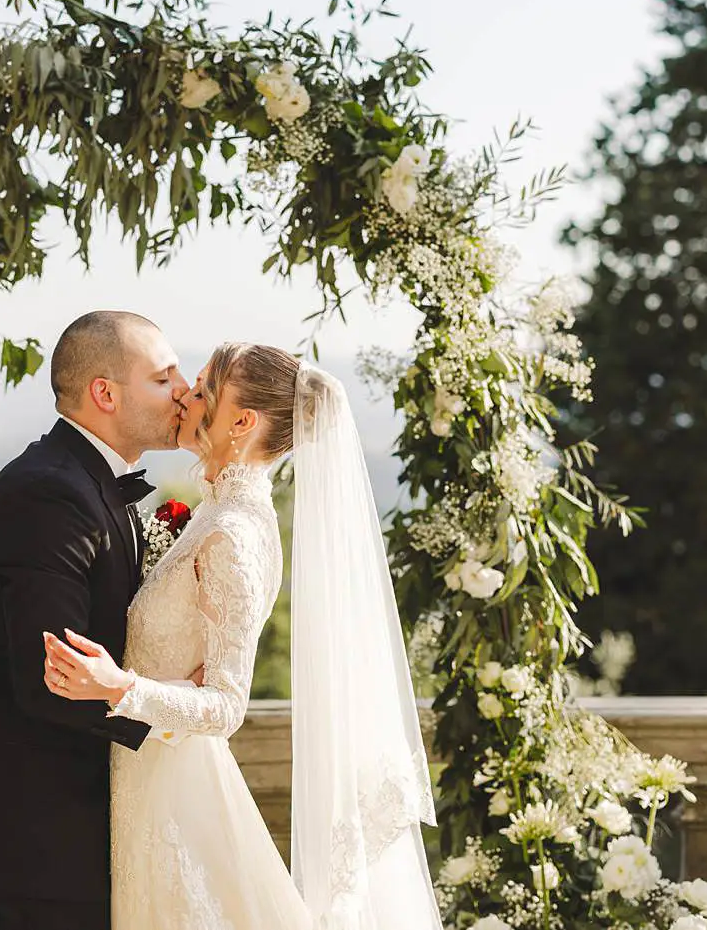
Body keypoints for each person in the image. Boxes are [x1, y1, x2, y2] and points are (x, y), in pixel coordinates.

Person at [44, 343, 443, 929]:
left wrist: (120, 686)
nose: (185, 395)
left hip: (176, 800)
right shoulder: (213, 514)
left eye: (203, 388)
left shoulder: (233, 534)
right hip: (146, 782)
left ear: (241, 421)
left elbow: (228, 705)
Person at [0, 310, 193, 930]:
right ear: (106, 393)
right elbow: (52, 679)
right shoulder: (51, 495)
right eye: (165, 377)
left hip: (53, 825)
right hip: (23, 830)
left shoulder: (82, 482)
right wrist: (171, 710)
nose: (185, 391)